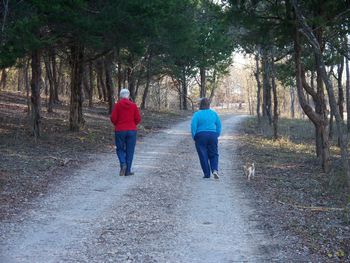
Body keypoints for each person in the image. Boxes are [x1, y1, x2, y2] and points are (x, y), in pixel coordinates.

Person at [110, 89, 141, 176]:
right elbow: (138, 119)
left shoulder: (117, 105)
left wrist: (117, 124)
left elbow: (113, 118)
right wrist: (132, 125)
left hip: (120, 130)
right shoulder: (133, 105)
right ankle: (128, 171)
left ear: (120, 96)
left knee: (120, 149)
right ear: (128, 95)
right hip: (132, 130)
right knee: (130, 150)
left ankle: (123, 163)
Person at [191, 98, 222, 179]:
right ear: (209, 105)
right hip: (212, 135)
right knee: (214, 154)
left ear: (200, 105)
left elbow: (193, 126)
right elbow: (219, 125)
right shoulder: (214, 114)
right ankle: (215, 169)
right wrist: (217, 134)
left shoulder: (197, 114)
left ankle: (207, 174)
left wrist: (194, 136)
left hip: (200, 135)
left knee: (203, 154)